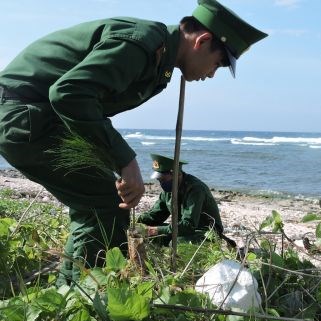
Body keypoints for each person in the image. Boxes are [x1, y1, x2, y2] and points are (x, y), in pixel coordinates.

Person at [0, 0, 266, 285]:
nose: (212, 74)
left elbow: (87, 105)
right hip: (25, 115)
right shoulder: (142, 45)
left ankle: (74, 288)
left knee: (97, 202)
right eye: (218, 64)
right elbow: (69, 94)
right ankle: (84, 293)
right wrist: (125, 161)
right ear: (202, 40)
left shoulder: (160, 59)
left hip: (40, 117)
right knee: (105, 202)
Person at [138, 154, 235, 247]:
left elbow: (188, 225)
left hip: (205, 233)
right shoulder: (168, 191)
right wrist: (137, 222)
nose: (161, 183)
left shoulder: (195, 189)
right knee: (144, 234)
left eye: (163, 179)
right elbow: (155, 215)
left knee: (176, 243)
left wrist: (155, 230)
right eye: (159, 180)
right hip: (184, 230)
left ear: (176, 174)